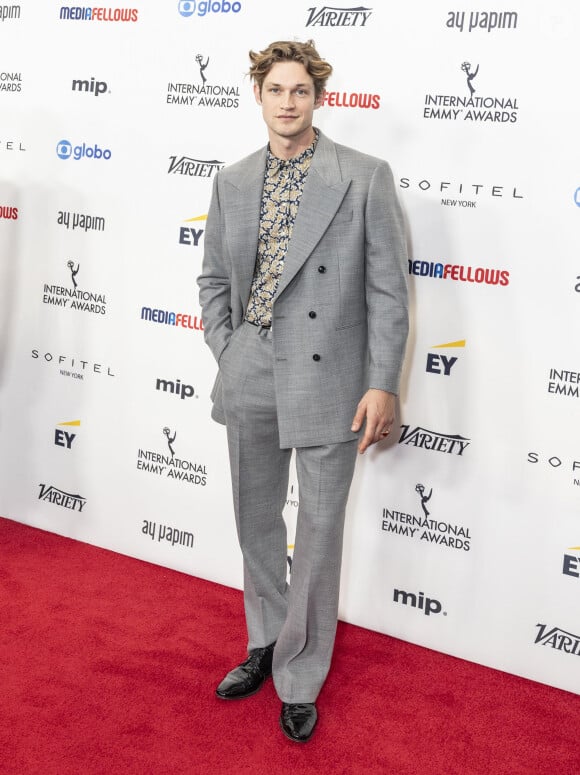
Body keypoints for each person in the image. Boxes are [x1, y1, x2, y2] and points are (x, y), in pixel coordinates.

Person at [197, 39, 408, 743]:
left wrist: (383, 383)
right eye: (276, 89)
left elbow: (388, 291)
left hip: (331, 377)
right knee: (256, 518)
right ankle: (264, 640)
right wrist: (228, 346)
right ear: (257, 95)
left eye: (301, 91)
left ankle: (300, 674)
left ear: (318, 98)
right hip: (251, 364)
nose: (288, 102)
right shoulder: (231, 180)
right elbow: (213, 280)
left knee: (317, 536)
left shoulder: (364, 175)